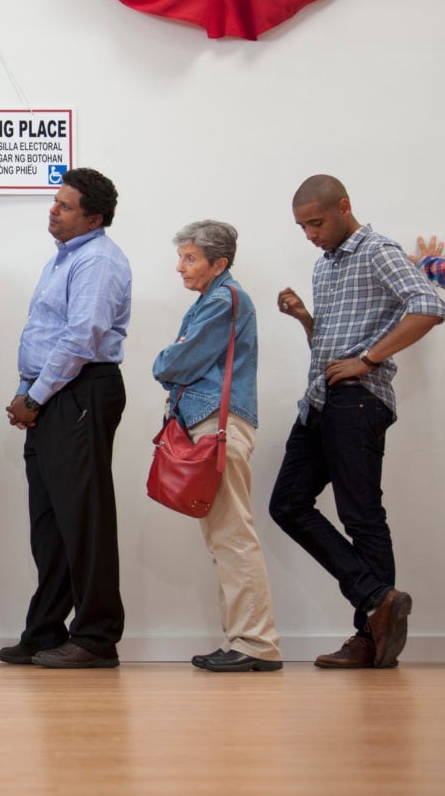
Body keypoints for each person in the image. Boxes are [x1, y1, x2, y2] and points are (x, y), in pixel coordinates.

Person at [271, 175, 444, 669]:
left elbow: (431, 305)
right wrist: (306, 319)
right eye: (302, 226)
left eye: (316, 222)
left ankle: (370, 637)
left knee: (361, 516)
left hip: (359, 398)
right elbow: (328, 347)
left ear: (344, 207)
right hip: (321, 399)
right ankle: (376, 600)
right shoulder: (324, 266)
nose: (309, 234)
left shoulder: (376, 249)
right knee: (287, 503)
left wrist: (367, 359)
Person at [0, 168, 130, 669]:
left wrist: (35, 396)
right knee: (49, 522)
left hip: (81, 391)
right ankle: (46, 629)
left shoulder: (97, 260)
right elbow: (42, 334)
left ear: (93, 218)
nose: (53, 210)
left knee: (84, 517)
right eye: (54, 202)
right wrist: (25, 392)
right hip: (52, 392)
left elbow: (81, 338)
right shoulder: (64, 259)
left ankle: (97, 637)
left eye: (65, 205)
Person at [152, 221, 282, 672]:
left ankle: (256, 644)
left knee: (233, 535)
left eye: (190, 258)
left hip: (218, 427)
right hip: (210, 425)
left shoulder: (225, 300)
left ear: (218, 263)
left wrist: (165, 358)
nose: (180, 267)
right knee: (225, 537)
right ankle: (244, 640)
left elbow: (174, 362)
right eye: (182, 256)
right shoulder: (216, 300)